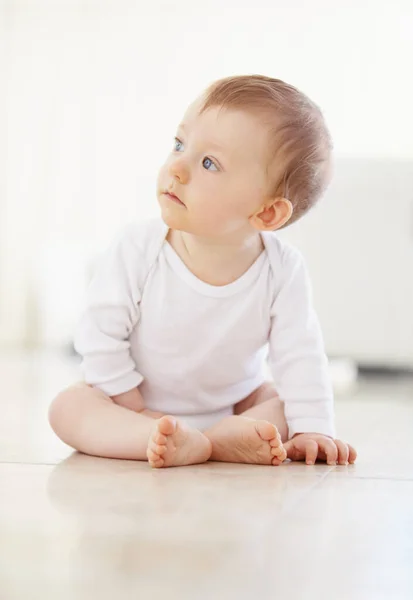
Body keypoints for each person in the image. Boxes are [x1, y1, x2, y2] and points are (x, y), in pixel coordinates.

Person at [49, 74, 357, 469]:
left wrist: (313, 428)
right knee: (68, 407)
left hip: (234, 407)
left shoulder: (282, 270)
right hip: (135, 406)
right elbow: (99, 333)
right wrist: (133, 407)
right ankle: (164, 438)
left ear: (266, 212)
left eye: (209, 163)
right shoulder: (139, 247)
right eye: (180, 144)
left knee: (285, 404)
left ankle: (213, 439)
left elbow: (301, 354)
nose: (177, 167)